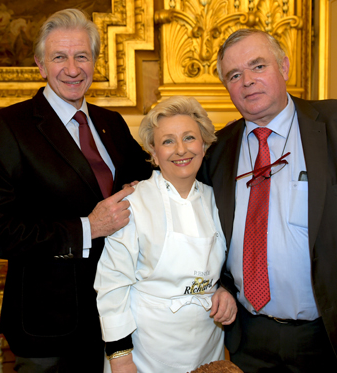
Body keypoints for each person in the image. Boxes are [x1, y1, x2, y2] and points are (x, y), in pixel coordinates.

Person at [200, 28, 337, 372]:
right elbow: (209, 236)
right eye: (234, 75)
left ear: (283, 67)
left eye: (258, 66)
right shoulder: (217, 150)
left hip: (327, 334)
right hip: (247, 335)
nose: (247, 82)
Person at [0, 9, 152, 373]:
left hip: (119, 315)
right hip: (49, 327)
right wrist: (89, 227)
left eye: (81, 56)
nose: (72, 68)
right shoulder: (6, 127)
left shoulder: (110, 123)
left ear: (95, 62)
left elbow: (149, 181)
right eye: (59, 57)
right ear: (40, 65)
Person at [95, 96, 237, 373]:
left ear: (205, 145)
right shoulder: (133, 203)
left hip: (208, 345)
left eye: (189, 138)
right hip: (146, 351)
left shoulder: (219, 200)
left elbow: (229, 264)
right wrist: (120, 356)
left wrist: (225, 289)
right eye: (168, 141)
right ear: (154, 152)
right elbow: (112, 285)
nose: (181, 149)